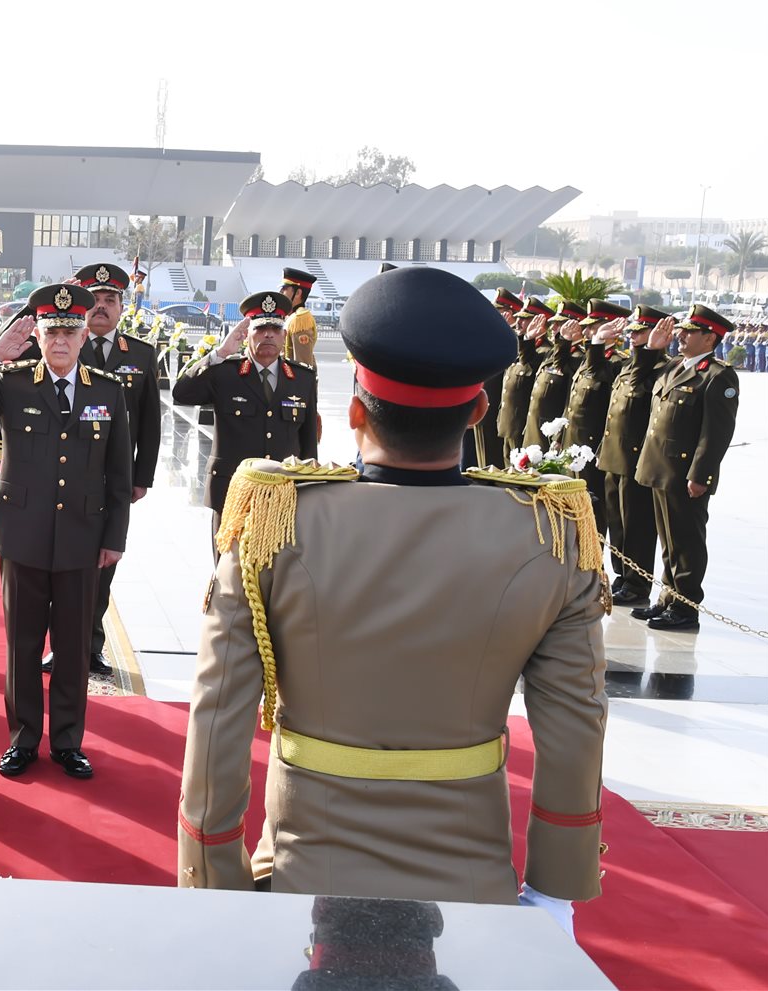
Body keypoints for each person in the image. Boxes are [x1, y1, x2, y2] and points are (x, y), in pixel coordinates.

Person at [178, 266, 607, 932]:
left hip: (302, 873)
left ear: (354, 411)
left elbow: (218, 719)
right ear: (478, 410)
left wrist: (215, 877)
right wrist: (554, 891)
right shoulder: (551, 531)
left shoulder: (273, 521)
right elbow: (575, 723)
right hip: (473, 881)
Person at [0, 285, 132, 779]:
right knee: (22, 645)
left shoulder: (107, 389)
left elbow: (119, 472)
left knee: (72, 647)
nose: (60, 340)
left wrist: (114, 537)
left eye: (70, 331)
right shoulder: (12, 381)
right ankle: (23, 739)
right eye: (52, 332)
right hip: (22, 534)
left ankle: (67, 741)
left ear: (84, 335)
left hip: (82, 536)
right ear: (38, 336)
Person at [54, 263, 160, 677]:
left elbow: (150, 423)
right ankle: (58, 647)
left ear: (121, 306)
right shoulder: (65, 345)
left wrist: (141, 477)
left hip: (112, 481)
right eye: (94, 300)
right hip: (66, 474)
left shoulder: (141, 355)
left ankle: (91, 646)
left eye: (109, 300)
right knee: (59, 565)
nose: (101, 307)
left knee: (103, 567)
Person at [632, 304, 740, 632]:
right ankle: (668, 598)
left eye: (690, 332)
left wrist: (700, 474)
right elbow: (639, 380)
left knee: (686, 542)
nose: (681, 336)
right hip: (659, 467)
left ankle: (685, 607)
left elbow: (716, 433)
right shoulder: (673, 366)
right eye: (682, 330)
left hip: (684, 473)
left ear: (710, 338)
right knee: (669, 541)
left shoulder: (718, 375)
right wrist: (651, 348)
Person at [171, 291, 319, 524]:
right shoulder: (225, 372)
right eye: (260, 328)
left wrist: (310, 491)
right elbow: (181, 394)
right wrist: (220, 353)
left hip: (284, 496)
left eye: (275, 328)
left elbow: (309, 444)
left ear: (284, 335)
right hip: (232, 494)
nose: (268, 334)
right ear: (246, 333)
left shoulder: (303, 378)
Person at [598, 306, 671, 608]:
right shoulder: (629, 365)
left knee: (636, 525)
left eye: (640, 332)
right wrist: (598, 343)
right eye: (632, 331)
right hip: (614, 456)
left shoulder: (660, 368)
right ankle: (623, 576)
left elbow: (642, 393)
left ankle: (637, 583)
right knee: (617, 522)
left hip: (635, 458)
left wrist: (650, 352)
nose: (633, 336)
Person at [564, 299, 632, 547]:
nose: (588, 331)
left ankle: (593, 561)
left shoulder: (618, 363)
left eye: (594, 327)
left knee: (593, 511)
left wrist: (598, 344)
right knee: (572, 509)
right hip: (575, 444)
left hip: (593, 447)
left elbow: (600, 378)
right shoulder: (587, 358)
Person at [521, 300, 586, 449]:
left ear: (576, 327)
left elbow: (569, 401)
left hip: (550, 433)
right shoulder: (551, 353)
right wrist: (528, 338)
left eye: (559, 324)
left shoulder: (578, 358)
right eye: (553, 323)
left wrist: (559, 436)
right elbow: (527, 361)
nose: (553, 328)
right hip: (534, 429)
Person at [496, 296, 553, 451]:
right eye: (518, 317)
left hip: (522, 425)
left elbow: (527, 363)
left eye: (524, 319)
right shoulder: (522, 347)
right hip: (508, 423)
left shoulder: (544, 351)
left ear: (539, 322)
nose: (518, 322)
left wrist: (528, 338)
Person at [473, 288, 523, 467]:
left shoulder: (516, 341)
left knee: (495, 463)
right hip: (484, 407)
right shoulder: (494, 336)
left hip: (497, 410)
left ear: (509, 313)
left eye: (498, 311)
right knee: (482, 462)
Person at [278, 267, 318, 368]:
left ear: (298, 293)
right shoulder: (291, 316)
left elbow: (302, 365)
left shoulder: (300, 319)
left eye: (284, 289)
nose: (280, 292)